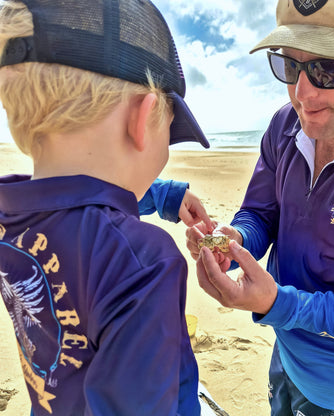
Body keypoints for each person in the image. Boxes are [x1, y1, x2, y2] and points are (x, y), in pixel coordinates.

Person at [187, 0, 334, 415]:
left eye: (328, 69)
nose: (302, 94)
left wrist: (277, 304)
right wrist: (235, 241)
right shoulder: (284, 126)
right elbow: (261, 214)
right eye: (289, 66)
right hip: (288, 348)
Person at [0, 0, 216, 414]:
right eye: (170, 131)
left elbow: (73, 199)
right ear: (144, 116)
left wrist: (165, 196)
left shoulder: (12, 214)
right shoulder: (145, 263)